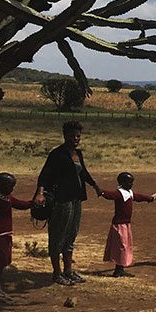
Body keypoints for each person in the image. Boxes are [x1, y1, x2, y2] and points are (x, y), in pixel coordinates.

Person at [33, 120, 100, 286]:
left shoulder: (78, 154)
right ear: (65, 136)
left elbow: (83, 172)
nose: (75, 139)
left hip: (76, 198)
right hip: (61, 199)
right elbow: (44, 175)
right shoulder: (57, 154)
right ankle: (57, 273)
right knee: (58, 235)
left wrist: (95, 186)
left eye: (78, 136)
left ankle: (68, 271)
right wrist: (40, 193)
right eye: (72, 136)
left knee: (71, 234)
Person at [0, 173, 33, 302]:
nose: (13, 188)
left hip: (4, 233)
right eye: (11, 185)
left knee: (3, 262)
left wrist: (33, 203)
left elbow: (20, 204)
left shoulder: (6, 197)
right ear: (2, 185)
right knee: (0, 262)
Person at [99, 173, 155, 278]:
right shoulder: (119, 193)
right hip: (119, 225)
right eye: (129, 182)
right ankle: (118, 269)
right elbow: (110, 195)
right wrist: (101, 192)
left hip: (125, 224)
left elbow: (138, 197)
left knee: (124, 246)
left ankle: (120, 268)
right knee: (122, 246)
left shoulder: (128, 193)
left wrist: (148, 198)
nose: (131, 184)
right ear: (122, 183)